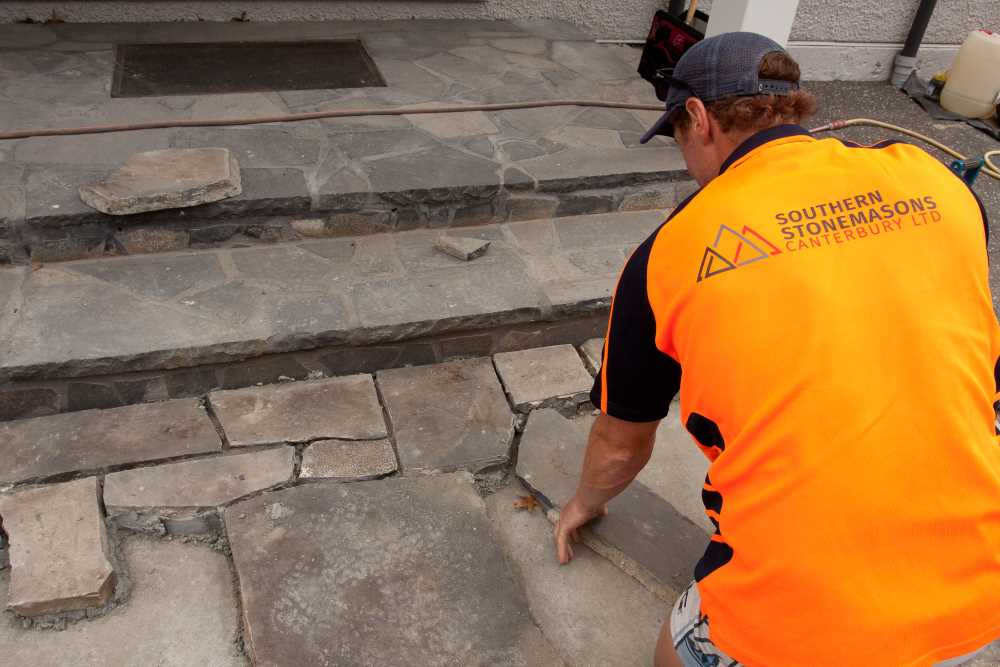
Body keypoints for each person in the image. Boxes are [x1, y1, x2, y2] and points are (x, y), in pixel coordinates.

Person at [552, 31, 1000, 667]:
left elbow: (622, 442)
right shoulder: (936, 180)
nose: (685, 159)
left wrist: (585, 503)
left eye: (679, 137)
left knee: (671, 653)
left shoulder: (669, 253)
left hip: (803, 623)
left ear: (699, 119)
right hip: (983, 595)